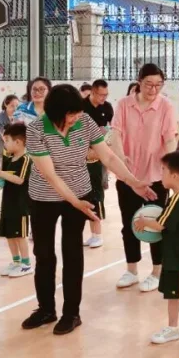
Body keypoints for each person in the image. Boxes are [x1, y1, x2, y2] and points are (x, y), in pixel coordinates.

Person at [22, 84, 156, 336]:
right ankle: (46, 309)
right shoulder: (37, 129)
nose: (76, 118)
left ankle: (71, 313)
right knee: (44, 254)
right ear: (56, 113)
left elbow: (109, 157)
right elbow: (50, 175)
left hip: (79, 191)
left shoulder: (85, 121)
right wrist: (74, 201)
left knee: (72, 251)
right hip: (44, 196)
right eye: (70, 114)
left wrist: (133, 181)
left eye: (77, 112)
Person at [112, 64, 179, 291]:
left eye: (159, 85)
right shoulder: (124, 104)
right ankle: (131, 270)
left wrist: (171, 166)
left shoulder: (166, 106)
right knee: (129, 224)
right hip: (128, 176)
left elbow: (169, 139)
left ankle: (157, 271)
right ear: (139, 82)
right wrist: (120, 158)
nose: (153, 89)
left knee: (156, 224)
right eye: (149, 84)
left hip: (156, 176)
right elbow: (116, 134)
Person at [134, 150, 179, 354]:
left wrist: (143, 222)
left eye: (163, 170)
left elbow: (159, 224)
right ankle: (172, 329)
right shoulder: (178, 197)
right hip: (173, 258)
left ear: (175, 175)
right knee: (173, 295)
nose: (161, 174)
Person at [0, 122, 32, 278]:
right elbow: (2, 174)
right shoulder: (9, 158)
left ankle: (26, 264)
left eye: (7, 140)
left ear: (18, 142)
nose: (5, 144)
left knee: (20, 236)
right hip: (7, 203)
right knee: (9, 234)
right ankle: (16, 262)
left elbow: (19, 180)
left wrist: (1, 173)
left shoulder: (26, 159)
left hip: (20, 205)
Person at [82, 79, 114, 246]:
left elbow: (110, 131)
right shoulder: (80, 106)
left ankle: (97, 234)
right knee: (82, 194)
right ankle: (90, 233)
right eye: (101, 95)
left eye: (106, 95)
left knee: (96, 193)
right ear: (92, 92)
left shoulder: (107, 108)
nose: (104, 98)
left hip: (97, 157)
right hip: (80, 155)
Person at [0, 94, 19, 159]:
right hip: (3, 139)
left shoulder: (19, 116)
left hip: (16, 138)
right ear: (6, 104)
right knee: (1, 156)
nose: (15, 108)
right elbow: (3, 134)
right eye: (12, 106)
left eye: (17, 106)